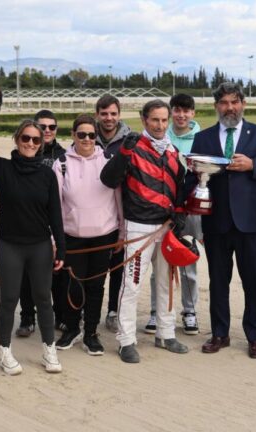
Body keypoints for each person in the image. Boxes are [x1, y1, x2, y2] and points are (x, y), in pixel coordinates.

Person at [0, 119, 66, 375]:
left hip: (39, 246)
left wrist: (61, 248)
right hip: (9, 246)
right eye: (25, 138)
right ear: (17, 140)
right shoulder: (2, 168)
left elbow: (55, 215)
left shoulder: (47, 175)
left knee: (44, 299)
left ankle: (49, 349)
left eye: (35, 140)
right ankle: (5, 352)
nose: (30, 143)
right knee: (8, 299)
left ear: (40, 145)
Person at [187, 82, 256, 358]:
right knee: (218, 282)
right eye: (224, 103)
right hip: (216, 223)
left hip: (250, 222)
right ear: (216, 106)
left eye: (234, 102)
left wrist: (253, 165)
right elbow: (193, 175)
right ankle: (220, 333)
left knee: (253, 282)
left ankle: (255, 337)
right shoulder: (203, 138)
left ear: (243, 104)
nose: (230, 108)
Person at [101, 99, 189, 363]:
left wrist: (179, 212)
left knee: (166, 283)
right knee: (131, 285)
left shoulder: (173, 151)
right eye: (155, 120)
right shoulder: (132, 147)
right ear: (144, 120)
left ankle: (165, 333)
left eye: (164, 120)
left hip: (166, 226)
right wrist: (124, 153)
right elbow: (108, 179)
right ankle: (126, 340)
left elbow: (180, 186)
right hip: (138, 225)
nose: (160, 125)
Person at [52, 114, 122, 355]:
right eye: (81, 134)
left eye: (91, 135)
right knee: (73, 285)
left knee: (96, 286)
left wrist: (121, 233)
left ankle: (91, 332)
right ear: (73, 135)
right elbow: (55, 204)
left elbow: (118, 199)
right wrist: (54, 238)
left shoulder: (108, 161)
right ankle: (72, 329)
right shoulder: (61, 163)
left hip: (104, 235)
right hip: (73, 236)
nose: (87, 139)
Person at [145, 93, 202, 335]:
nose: (181, 115)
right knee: (159, 262)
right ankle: (156, 310)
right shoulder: (160, 136)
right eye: (177, 110)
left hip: (191, 209)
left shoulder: (202, 138)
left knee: (187, 260)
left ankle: (189, 311)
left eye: (186, 111)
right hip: (163, 209)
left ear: (193, 113)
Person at [16, 109, 68, 337]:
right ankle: (27, 317)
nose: (47, 130)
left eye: (52, 127)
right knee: (27, 275)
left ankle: (61, 316)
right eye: (42, 127)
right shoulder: (25, 151)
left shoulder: (64, 155)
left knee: (58, 272)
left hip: (57, 221)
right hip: (30, 223)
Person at [93, 94, 133, 333]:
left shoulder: (130, 140)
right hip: (95, 212)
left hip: (123, 211)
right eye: (104, 114)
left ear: (119, 114)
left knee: (118, 266)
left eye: (113, 113)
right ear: (97, 114)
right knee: (94, 267)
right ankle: (89, 311)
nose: (109, 118)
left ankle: (113, 311)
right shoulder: (87, 136)